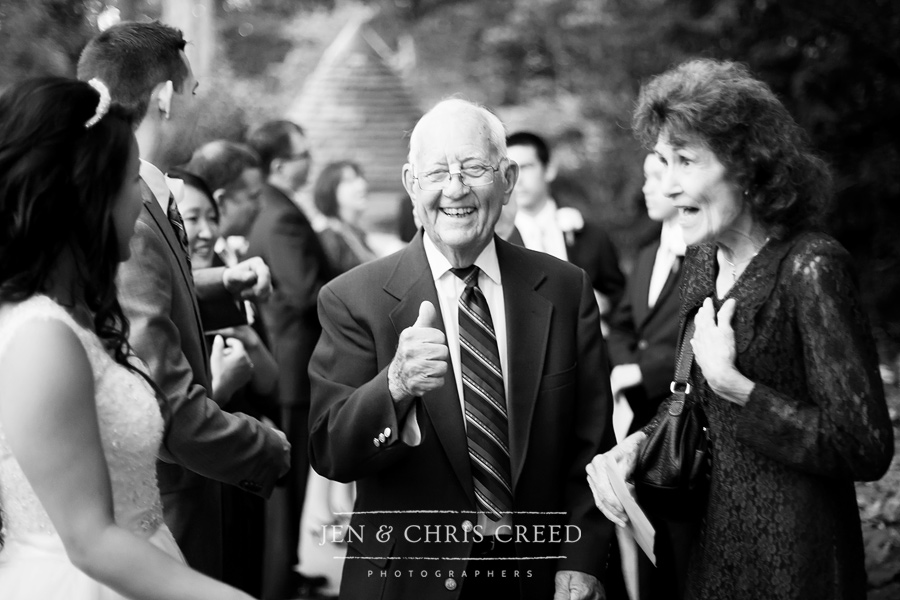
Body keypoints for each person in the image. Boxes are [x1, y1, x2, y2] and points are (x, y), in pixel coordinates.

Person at [587, 58, 894, 600]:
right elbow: (694, 398)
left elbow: (863, 449)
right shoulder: (704, 260)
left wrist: (740, 388)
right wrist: (635, 445)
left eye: (685, 161)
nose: (669, 183)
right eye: (662, 161)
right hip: (711, 551)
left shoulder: (811, 267)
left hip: (798, 560)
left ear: (748, 167)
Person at [308, 98, 619, 600]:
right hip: (407, 581)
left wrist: (582, 561)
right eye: (437, 172)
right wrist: (395, 385)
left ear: (508, 177)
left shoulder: (564, 289)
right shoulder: (352, 298)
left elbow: (591, 445)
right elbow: (329, 451)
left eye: (474, 169)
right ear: (412, 184)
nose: (455, 188)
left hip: (537, 579)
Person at [0, 77, 255, 600]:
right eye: (130, 178)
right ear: (85, 196)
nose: (142, 198)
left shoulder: (76, 314)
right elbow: (90, 540)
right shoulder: (40, 337)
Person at [77, 21, 291, 579]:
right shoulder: (127, 209)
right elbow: (165, 400)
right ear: (165, 98)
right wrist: (265, 446)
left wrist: (223, 283)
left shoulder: (143, 191)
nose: (197, 108)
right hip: (170, 500)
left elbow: (144, 298)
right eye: (194, 93)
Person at [245, 119, 334, 600]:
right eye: (303, 153)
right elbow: (303, 291)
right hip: (291, 371)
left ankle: (287, 572)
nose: (310, 160)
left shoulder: (279, 207)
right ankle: (277, 582)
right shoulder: (279, 215)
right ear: (280, 163)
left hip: (291, 367)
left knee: (295, 486)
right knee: (287, 485)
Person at [605, 154, 685, 600]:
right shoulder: (647, 253)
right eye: (647, 178)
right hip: (638, 412)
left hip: (681, 414)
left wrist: (649, 369)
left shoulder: (706, 255)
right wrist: (624, 365)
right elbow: (621, 324)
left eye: (656, 178)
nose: (647, 189)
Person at [506, 131, 625, 317]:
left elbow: (622, 303)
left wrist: (605, 305)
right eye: (510, 171)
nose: (518, 179)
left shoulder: (592, 237)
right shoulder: (496, 241)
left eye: (527, 167)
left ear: (549, 169)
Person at [310, 160, 377, 273]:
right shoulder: (328, 237)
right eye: (350, 181)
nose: (362, 185)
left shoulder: (355, 233)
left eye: (361, 178)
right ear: (331, 189)